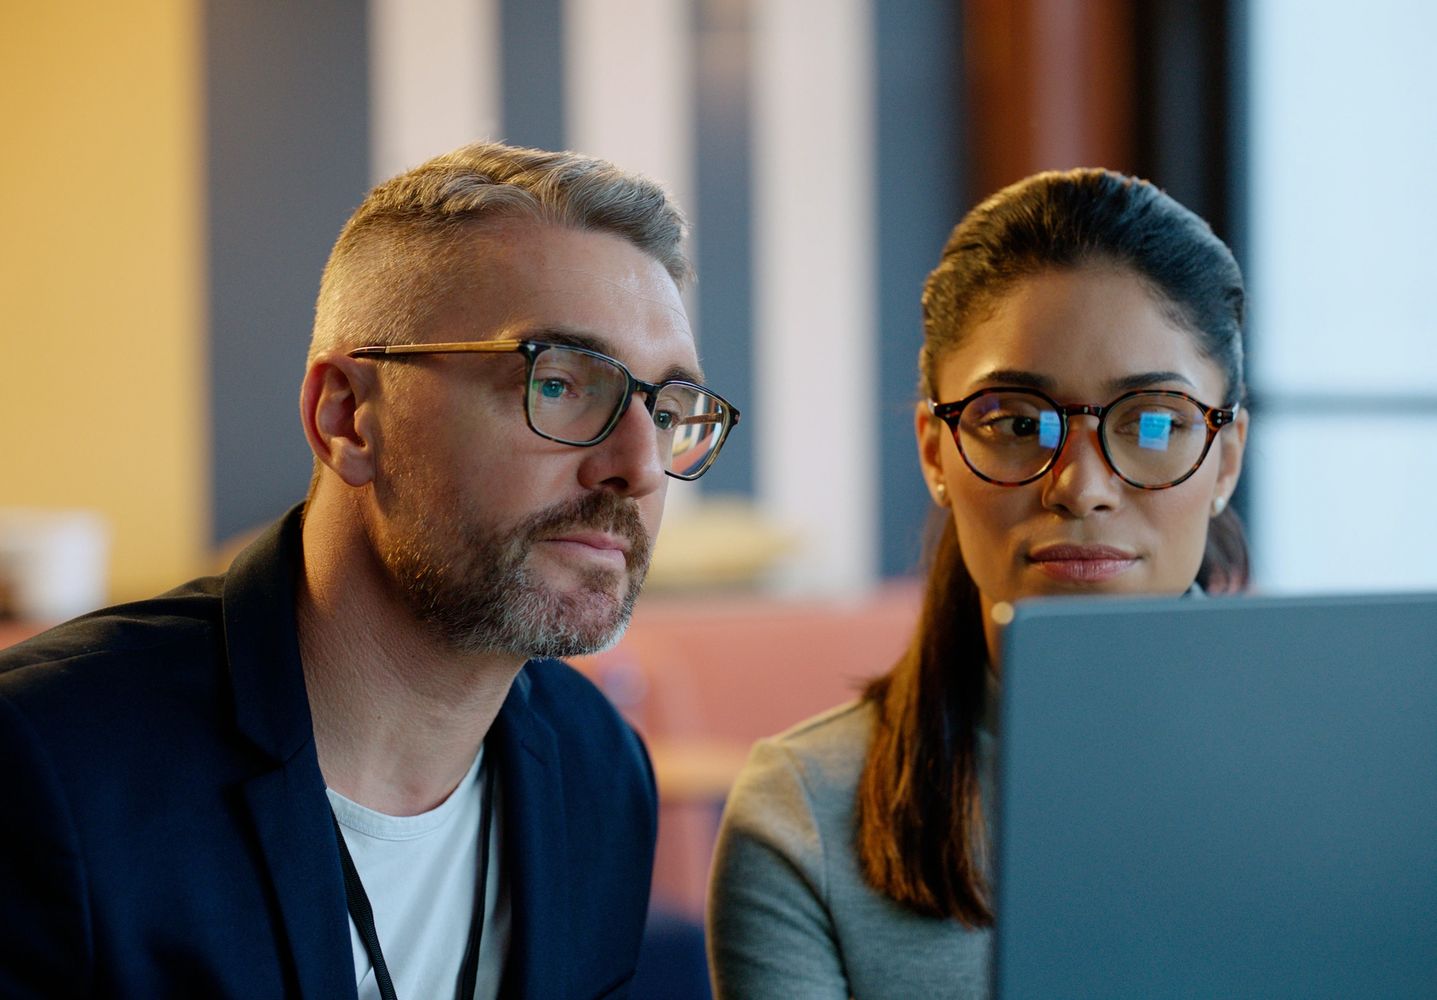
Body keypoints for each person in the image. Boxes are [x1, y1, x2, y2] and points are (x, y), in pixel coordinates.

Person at [0, 140, 740, 999]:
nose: (639, 467)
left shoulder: (598, 772)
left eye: (667, 410)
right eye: (560, 383)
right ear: (347, 416)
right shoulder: (51, 764)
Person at [706, 168, 1248, 999]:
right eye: (1016, 422)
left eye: (1150, 422)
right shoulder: (805, 813)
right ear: (935, 450)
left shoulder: (1365, 778)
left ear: (1225, 460)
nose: (1080, 487)